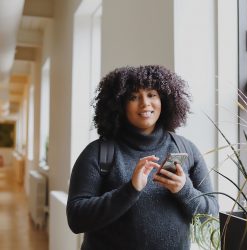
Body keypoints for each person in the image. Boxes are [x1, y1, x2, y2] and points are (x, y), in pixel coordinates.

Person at [66, 65, 219, 250]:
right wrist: (130, 190)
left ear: (164, 99)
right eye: (133, 97)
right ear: (119, 105)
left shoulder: (186, 149)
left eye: (151, 95)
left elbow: (212, 214)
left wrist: (184, 189)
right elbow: (76, 219)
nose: (145, 103)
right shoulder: (99, 153)